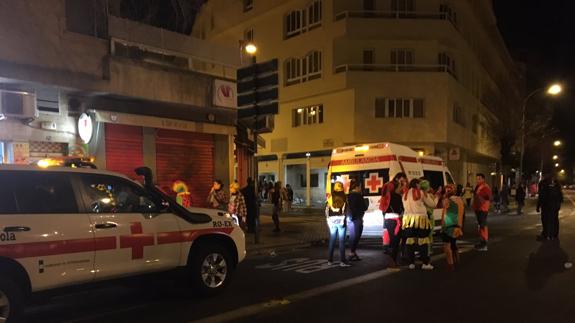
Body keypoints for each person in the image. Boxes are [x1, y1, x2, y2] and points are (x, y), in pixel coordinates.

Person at [402, 178, 437, 270]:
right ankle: (425, 263)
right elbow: (432, 204)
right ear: (417, 185)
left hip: (408, 220)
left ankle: (411, 263)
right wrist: (436, 196)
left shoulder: (405, 194)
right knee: (423, 241)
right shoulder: (421, 192)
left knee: (410, 241)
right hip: (421, 219)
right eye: (419, 184)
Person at [380, 172, 407, 267]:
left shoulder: (386, 197)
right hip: (395, 220)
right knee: (395, 241)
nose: (401, 188)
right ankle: (393, 261)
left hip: (387, 220)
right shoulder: (397, 197)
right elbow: (402, 209)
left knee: (392, 241)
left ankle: (392, 260)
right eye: (400, 187)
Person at [326, 181, 350, 267]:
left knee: (332, 240)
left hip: (332, 221)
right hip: (341, 220)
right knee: (341, 241)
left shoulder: (330, 196)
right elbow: (347, 209)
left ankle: (330, 260)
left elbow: (326, 209)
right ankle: (342, 261)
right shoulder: (344, 196)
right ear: (341, 187)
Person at [441, 184, 465, 271]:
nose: (447, 190)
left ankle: (450, 265)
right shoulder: (460, 200)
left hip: (448, 225)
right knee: (453, 243)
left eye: (449, 189)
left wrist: (444, 196)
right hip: (457, 225)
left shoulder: (449, 200)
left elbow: (444, 208)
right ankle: (457, 260)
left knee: (447, 245)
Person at [537, 176, 564, 240]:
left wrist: (538, 207)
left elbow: (541, 198)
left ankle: (546, 234)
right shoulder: (556, 189)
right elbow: (561, 199)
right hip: (555, 208)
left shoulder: (545, 188)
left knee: (545, 221)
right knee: (554, 221)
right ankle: (554, 234)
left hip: (546, 207)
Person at [347, 179, 368, 261]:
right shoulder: (359, 196)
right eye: (359, 187)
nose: (360, 188)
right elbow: (364, 207)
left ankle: (353, 252)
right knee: (357, 236)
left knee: (352, 236)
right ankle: (352, 253)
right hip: (358, 218)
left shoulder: (348, 196)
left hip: (350, 218)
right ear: (356, 187)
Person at [473, 173, 492, 251]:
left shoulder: (485, 187)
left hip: (483, 209)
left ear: (483, 179)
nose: (478, 180)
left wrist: (479, 197)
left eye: (479, 179)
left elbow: (488, 197)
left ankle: (484, 244)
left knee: (483, 226)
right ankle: (482, 242)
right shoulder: (479, 186)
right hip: (479, 209)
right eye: (477, 179)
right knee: (481, 226)